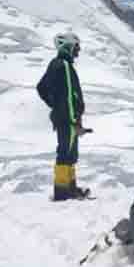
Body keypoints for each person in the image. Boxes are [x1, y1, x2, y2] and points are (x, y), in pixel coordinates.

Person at [37, 31, 90, 201]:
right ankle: (62, 192)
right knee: (65, 153)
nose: (78, 51)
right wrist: (73, 117)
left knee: (70, 154)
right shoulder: (64, 66)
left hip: (66, 117)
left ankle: (69, 188)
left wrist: (55, 105)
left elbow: (41, 88)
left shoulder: (57, 64)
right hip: (68, 119)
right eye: (76, 47)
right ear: (68, 46)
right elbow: (68, 95)